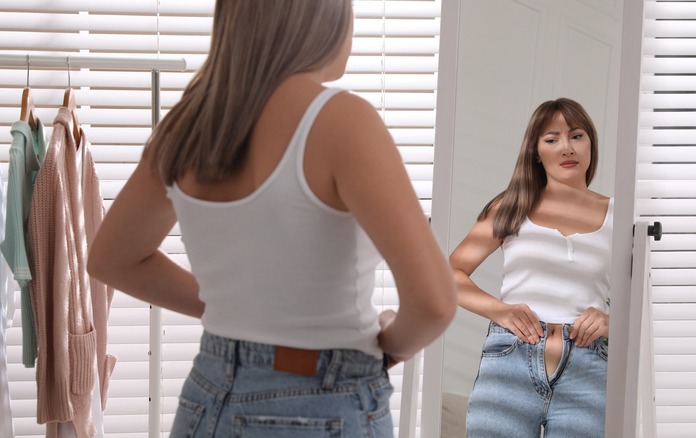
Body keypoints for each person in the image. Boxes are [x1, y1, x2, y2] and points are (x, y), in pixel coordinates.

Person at [87, 1, 456, 436]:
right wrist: (389, 347)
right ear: (320, 17)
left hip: (207, 394)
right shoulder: (342, 120)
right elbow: (434, 304)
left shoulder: (186, 127)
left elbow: (111, 260)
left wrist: (238, 310)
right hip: (322, 399)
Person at [450, 98, 612, 437]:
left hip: (589, 367)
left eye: (576, 136)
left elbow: (652, 299)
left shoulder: (620, 215)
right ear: (536, 152)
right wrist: (500, 311)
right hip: (510, 359)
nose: (566, 148)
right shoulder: (511, 206)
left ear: (591, 143)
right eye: (551, 139)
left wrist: (613, 322)